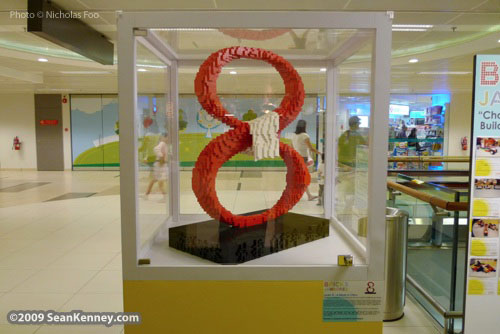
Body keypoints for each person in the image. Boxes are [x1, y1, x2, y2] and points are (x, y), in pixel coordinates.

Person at [291, 120, 321, 201]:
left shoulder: (293, 135)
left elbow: (292, 147)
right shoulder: (305, 135)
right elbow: (311, 148)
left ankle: (306, 195)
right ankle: (307, 195)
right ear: (304, 126)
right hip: (302, 158)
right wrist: (320, 153)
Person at [144, 134, 168, 200]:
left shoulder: (165, 144)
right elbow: (156, 149)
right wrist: (161, 156)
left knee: (155, 180)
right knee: (160, 181)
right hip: (160, 165)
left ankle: (146, 194)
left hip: (162, 165)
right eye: (167, 137)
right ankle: (165, 197)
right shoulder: (162, 143)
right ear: (164, 137)